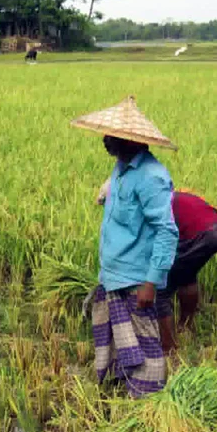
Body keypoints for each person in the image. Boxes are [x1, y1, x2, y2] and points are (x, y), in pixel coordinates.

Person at [70, 96, 180, 398]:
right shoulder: (123, 167)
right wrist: (106, 192)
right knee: (118, 339)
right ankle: (123, 388)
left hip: (135, 279)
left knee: (144, 343)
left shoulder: (151, 178)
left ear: (131, 141)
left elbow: (167, 232)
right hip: (113, 273)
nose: (105, 142)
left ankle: (149, 400)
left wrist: (150, 283)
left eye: (111, 137)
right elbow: (119, 188)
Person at [98, 184, 217, 354]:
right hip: (216, 230)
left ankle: (168, 347)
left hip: (200, 234)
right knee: (185, 274)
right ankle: (186, 326)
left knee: (160, 289)